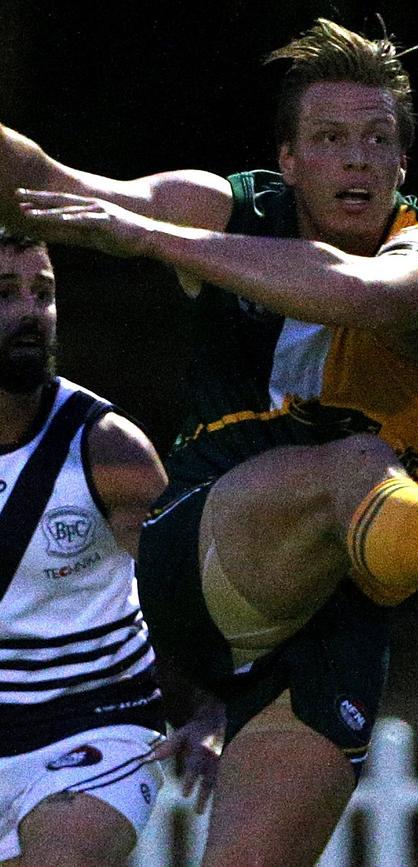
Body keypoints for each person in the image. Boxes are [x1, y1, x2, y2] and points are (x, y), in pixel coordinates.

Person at [0, 19, 418, 866]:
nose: (356, 159)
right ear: (288, 160)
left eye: (377, 140)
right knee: (355, 465)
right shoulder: (226, 207)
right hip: (205, 556)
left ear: (401, 164)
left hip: (333, 618)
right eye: (329, 139)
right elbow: (46, 186)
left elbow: (358, 294)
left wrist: (164, 244)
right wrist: (135, 222)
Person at [0, 228, 171, 866]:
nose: (28, 312)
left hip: (98, 720)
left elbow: (192, 590)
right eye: (4, 293)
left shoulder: (109, 451)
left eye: (42, 293)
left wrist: (214, 706)